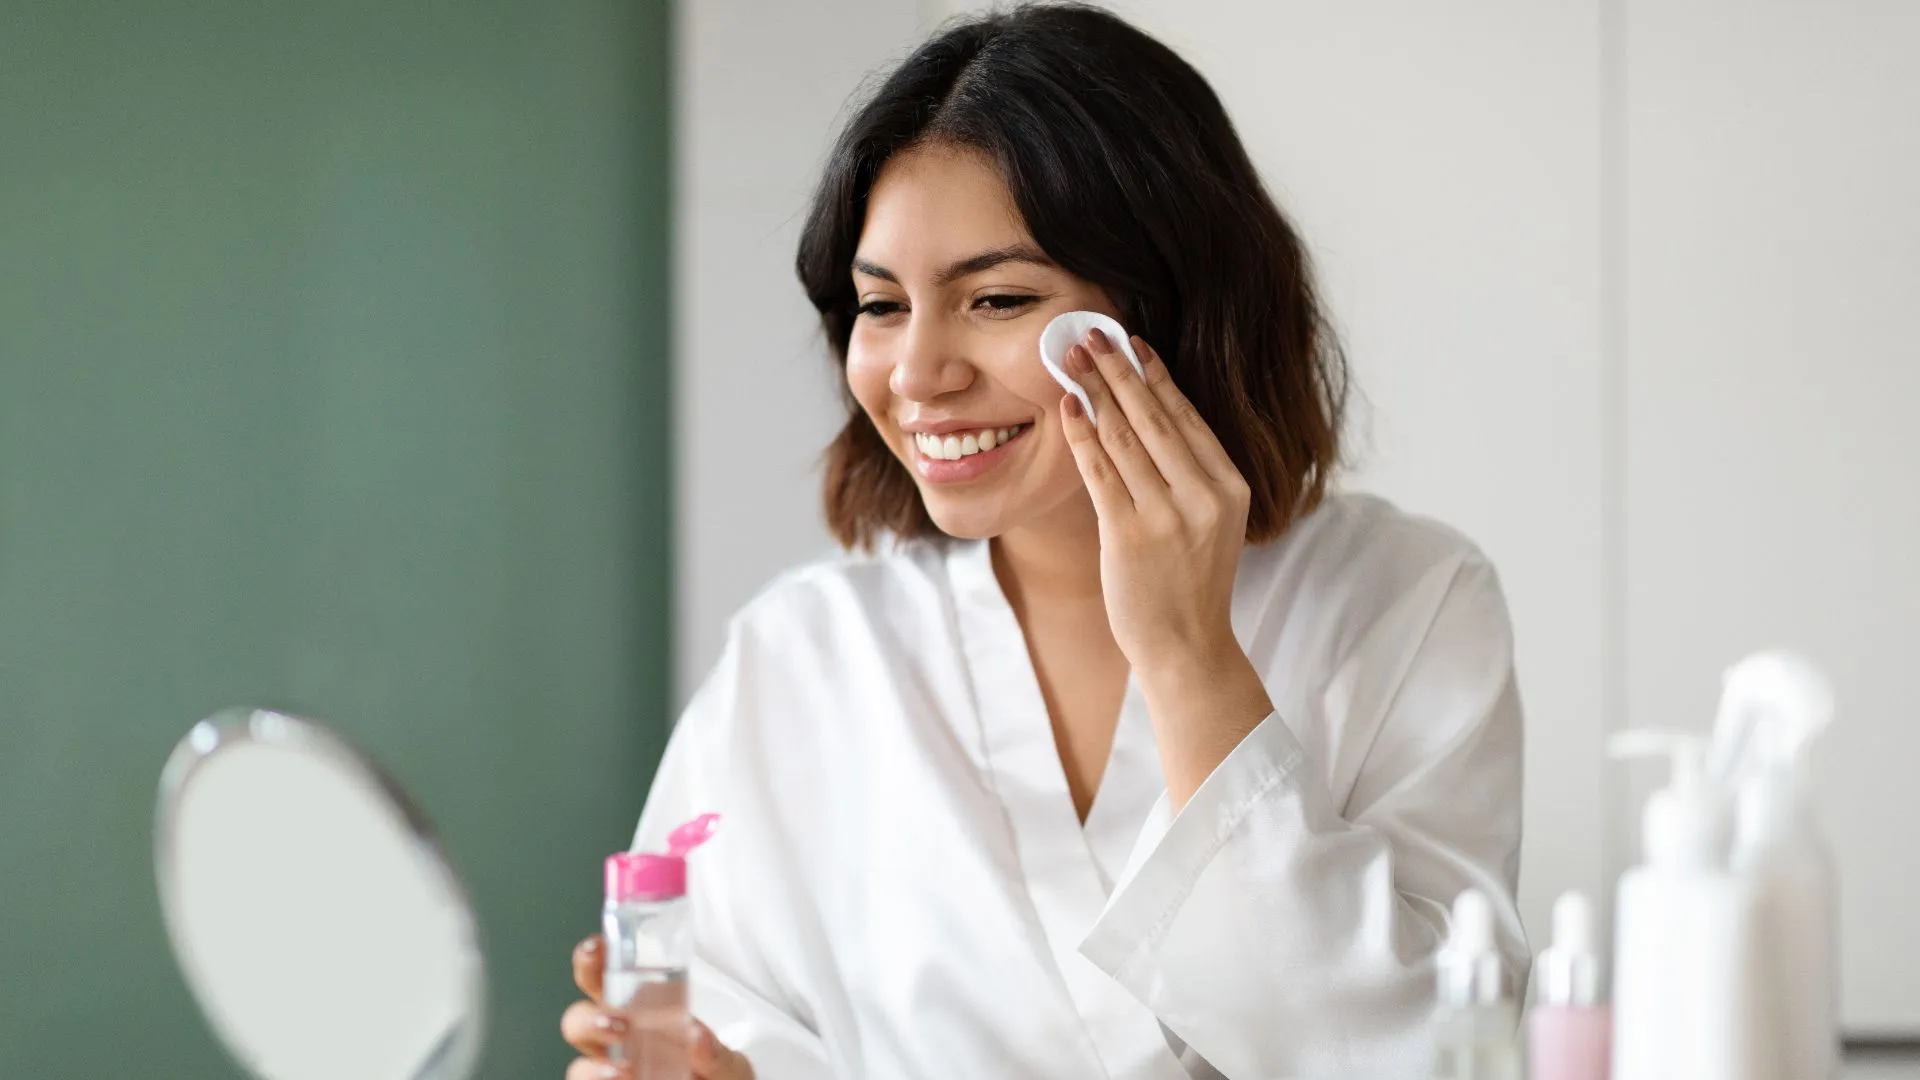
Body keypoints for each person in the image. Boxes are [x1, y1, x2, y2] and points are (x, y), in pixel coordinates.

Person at [562, 4, 1526, 1078]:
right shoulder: (799, 660)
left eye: (998, 299)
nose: (919, 373)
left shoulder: (1405, 601)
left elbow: (1433, 1053)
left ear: (1168, 308)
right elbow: (724, 1020)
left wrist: (1187, 654)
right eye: (882, 306)